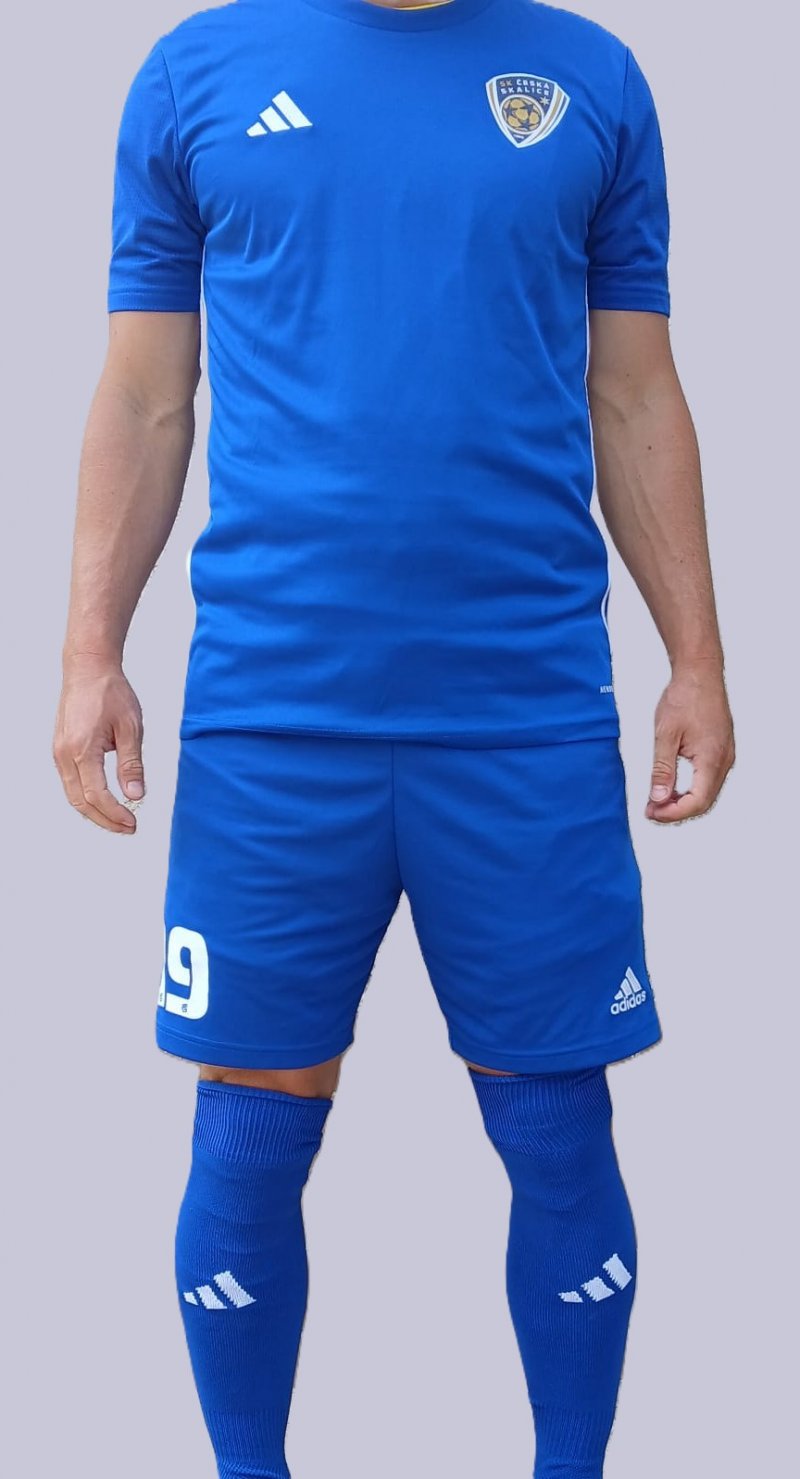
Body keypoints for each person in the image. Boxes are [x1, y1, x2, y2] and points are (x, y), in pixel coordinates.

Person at [54, 0, 734, 1473]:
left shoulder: (592, 77)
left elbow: (633, 389)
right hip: (275, 712)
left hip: (526, 709)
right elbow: (147, 396)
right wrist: (91, 650)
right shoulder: (195, 75)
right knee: (249, 1136)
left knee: (556, 1125)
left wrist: (698, 657)